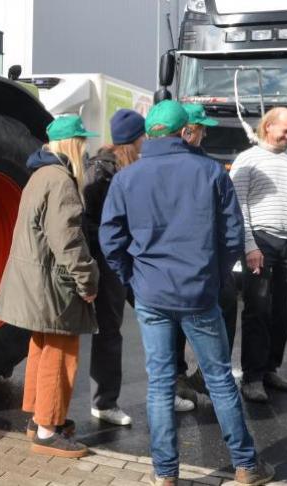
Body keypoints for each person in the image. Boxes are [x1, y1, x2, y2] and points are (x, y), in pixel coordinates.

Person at [100, 100, 274, 485]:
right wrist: (211, 279)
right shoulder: (210, 172)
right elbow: (231, 238)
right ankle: (246, 466)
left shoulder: (127, 177)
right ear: (184, 132)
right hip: (198, 294)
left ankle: (165, 475)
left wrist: (132, 280)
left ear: (151, 133)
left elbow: (111, 240)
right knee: (218, 379)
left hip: (152, 293)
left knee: (160, 383)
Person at [0, 115, 99, 458]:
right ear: (72, 144)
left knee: (41, 345)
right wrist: (87, 280)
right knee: (61, 351)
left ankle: (38, 418)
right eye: (82, 143)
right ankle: (47, 429)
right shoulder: (61, 181)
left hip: (36, 281)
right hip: (54, 285)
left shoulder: (40, 175)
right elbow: (67, 240)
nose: (85, 150)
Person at [83, 110, 194, 422]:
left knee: (159, 322)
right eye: (143, 136)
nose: (148, 140)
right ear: (134, 139)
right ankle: (104, 403)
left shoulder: (125, 167)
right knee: (110, 330)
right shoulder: (103, 171)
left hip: (132, 258)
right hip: (114, 261)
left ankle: (165, 393)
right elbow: (96, 225)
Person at [229, 107, 287, 403]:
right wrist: (250, 246)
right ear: (268, 126)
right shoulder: (247, 159)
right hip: (262, 242)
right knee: (258, 309)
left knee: (284, 311)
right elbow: (239, 208)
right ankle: (252, 377)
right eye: (286, 130)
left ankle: (269, 370)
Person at [175, 103, 238, 404]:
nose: (205, 133)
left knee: (223, 306)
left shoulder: (206, 165)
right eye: (202, 128)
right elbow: (231, 225)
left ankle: (202, 375)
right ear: (189, 130)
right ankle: (188, 377)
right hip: (198, 263)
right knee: (183, 319)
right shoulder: (210, 170)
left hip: (182, 265)